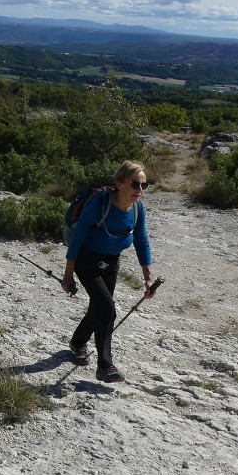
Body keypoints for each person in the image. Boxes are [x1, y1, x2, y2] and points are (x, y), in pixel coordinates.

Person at [61, 160, 156, 383]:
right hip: (86, 259)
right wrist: (68, 275)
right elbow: (78, 239)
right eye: (135, 185)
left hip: (110, 261)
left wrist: (148, 277)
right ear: (119, 183)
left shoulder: (137, 208)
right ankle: (105, 366)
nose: (140, 191)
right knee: (107, 307)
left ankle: (78, 341)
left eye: (144, 185)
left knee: (100, 307)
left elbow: (141, 241)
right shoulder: (100, 205)